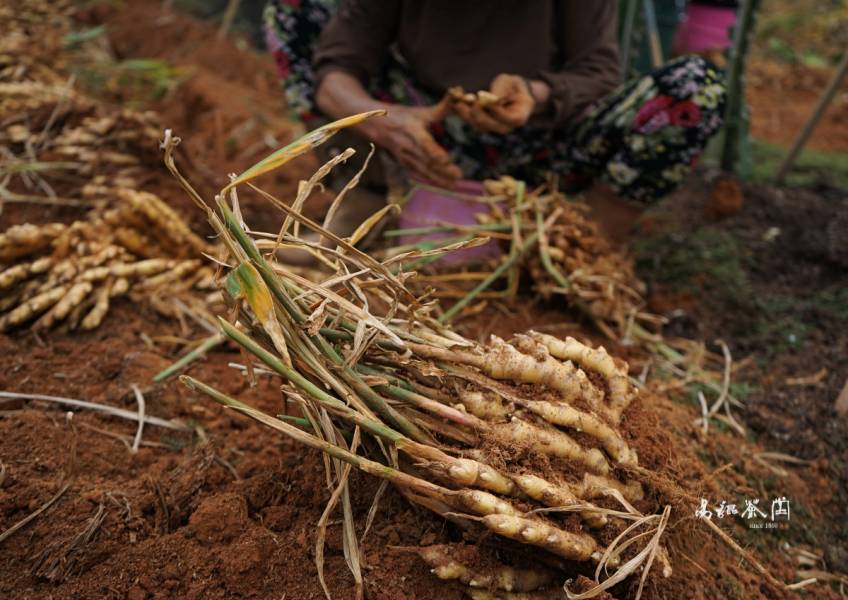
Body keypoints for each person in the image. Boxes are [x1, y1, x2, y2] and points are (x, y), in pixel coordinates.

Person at [263, 1, 726, 226]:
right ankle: (362, 207)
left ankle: (586, 245)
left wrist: (537, 93)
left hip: (551, 148)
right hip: (434, 135)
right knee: (292, 10)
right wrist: (384, 120)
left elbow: (599, 71)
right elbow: (334, 73)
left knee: (694, 88)